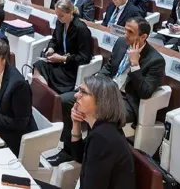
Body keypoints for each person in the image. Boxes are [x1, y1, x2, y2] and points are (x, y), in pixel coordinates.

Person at [55, 15, 164, 165]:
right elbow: (109, 67)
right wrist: (96, 84)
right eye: (125, 30)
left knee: (101, 115)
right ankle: (69, 150)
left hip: (125, 101)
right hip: (106, 90)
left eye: (130, 32)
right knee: (66, 100)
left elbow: (145, 92)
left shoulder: (155, 60)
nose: (125, 35)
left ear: (143, 36)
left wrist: (134, 64)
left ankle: (88, 153)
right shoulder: (121, 43)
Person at [66, 75, 136, 189]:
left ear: (101, 101)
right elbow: (78, 156)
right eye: (78, 90)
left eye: (83, 92)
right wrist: (76, 123)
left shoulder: (102, 137)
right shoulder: (100, 126)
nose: (76, 95)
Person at [33, 0, 93, 95]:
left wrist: (63, 58)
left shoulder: (81, 29)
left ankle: (50, 99)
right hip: (59, 62)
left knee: (47, 74)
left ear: (70, 13)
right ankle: (42, 98)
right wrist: (51, 49)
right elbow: (54, 40)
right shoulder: (60, 23)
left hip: (71, 68)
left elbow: (85, 57)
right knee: (38, 65)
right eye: (57, 15)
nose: (58, 18)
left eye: (61, 15)